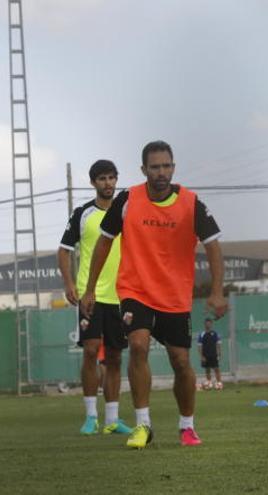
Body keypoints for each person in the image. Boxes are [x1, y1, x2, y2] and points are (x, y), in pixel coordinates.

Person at [80, 140, 228, 449]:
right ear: (143, 170)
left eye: (166, 166)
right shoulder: (128, 200)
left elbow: (213, 245)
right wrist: (91, 288)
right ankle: (143, 424)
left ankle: (186, 425)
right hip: (136, 289)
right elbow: (104, 242)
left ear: (173, 168)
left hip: (174, 294)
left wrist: (217, 291)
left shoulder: (191, 202)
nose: (161, 172)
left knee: (181, 361)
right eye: (155, 167)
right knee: (137, 345)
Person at [57, 160, 132, 436]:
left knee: (114, 357)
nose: (108, 183)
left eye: (112, 177)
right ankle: (91, 416)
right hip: (92, 295)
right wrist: (69, 284)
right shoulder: (83, 214)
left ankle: (112, 418)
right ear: (93, 183)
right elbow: (63, 250)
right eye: (102, 178)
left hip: (121, 295)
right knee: (90, 351)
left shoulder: (126, 213)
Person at [198, 318, 223, 389]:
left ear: (211, 324)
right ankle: (209, 383)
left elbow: (218, 344)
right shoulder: (202, 334)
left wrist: (219, 354)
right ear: (204, 324)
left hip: (214, 354)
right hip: (205, 355)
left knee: (216, 369)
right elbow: (200, 346)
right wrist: (201, 356)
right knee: (207, 369)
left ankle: (219, 383)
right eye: (206, 323)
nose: (208, 324)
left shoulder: (215, 334)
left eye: (209, 323)